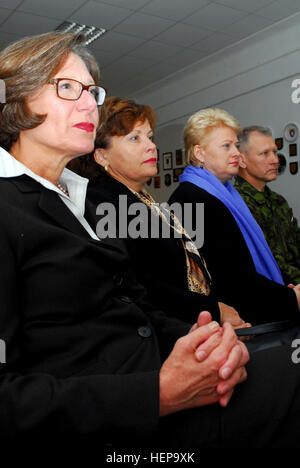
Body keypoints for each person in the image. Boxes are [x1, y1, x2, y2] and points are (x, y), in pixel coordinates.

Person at [0, 33, 300, 450]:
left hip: (159, 373)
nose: (89, 103)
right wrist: (157, 396)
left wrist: (202, 339)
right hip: (122, 419)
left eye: (91, 91)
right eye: (67, 87)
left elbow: (133, 305)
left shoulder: (80, 201)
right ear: (14, 98)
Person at [70, 96, 249, 329]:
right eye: (134, 138)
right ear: (102, 156)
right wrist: (215, 310)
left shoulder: (143, 201)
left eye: (150, 137)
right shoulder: (102, 203)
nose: (151, 146)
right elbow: (140, 288)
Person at [169, 108, 300, 325]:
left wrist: (285, 286)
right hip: (236, 325)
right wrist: (290, 298)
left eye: (236, 146)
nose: (236, 153)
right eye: (226, 146)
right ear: (200, 153)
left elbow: (249, 261)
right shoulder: (192, 199)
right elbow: (230, 282)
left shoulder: (226, 194)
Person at [235, 125, 300, 285]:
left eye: (275, 152)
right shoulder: (237, 205)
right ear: (242, 160)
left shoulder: (278, 201)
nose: (275, 160)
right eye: (265, 153)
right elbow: (268, 264)